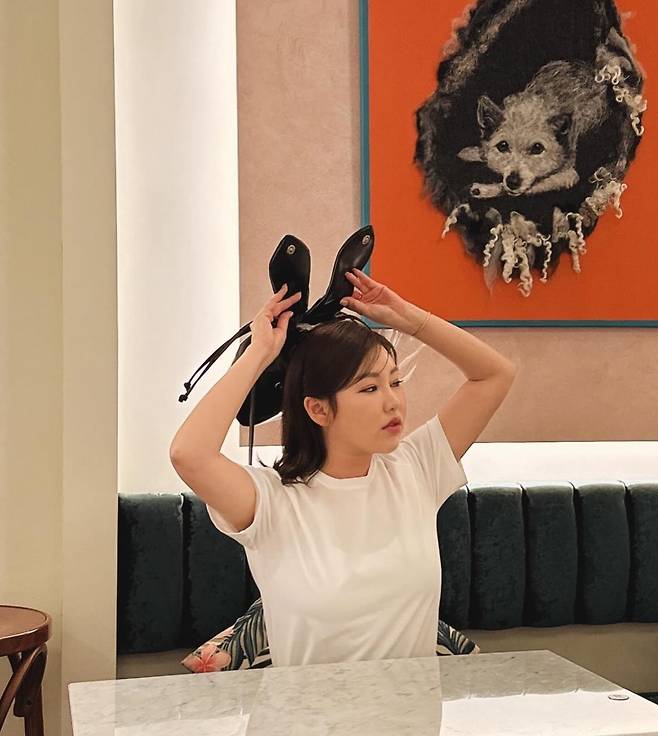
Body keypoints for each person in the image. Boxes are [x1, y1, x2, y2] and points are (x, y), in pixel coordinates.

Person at [170, 267, 518, 667]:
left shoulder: (415, 468)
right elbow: (189, 454)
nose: (393, 402)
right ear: (318, 409)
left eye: (395, 382)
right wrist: (260, 352)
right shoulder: (270, 500)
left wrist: (409, 319)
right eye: (369, 388)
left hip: (412, 707)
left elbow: (495, 375)